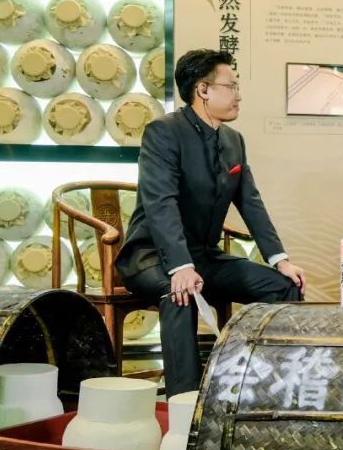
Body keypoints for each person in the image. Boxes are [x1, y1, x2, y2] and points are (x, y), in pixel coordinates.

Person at [117, 49, 305, 397]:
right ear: (202, 90)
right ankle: (184, 401)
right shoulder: (163, 132)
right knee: (179, 291)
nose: (239, 95)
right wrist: (180, 266)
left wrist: (280, 259)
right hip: (153, 256)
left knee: (283, 286)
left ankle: (266, 387)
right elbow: (161, 203)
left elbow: (251, 203)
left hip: (204, 256)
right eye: (231, 86)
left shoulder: (234, 140)